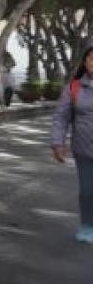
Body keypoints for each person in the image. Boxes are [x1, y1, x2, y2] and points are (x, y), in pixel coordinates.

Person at [50, 45, 93, 244]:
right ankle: (86, 226)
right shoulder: (73, 87)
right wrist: (58, 143)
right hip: (84, 149)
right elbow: (61, 117)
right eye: (92, 59)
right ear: (85, 62)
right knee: (87, 191)